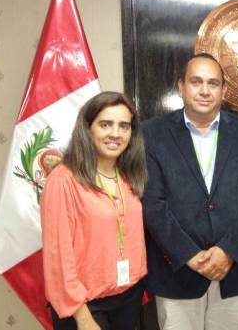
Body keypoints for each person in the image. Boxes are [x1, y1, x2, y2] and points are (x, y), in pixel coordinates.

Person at [142, 53, 238, 330]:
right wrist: (188, 254)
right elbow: (153, 202)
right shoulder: (151, 134)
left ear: (224, 91)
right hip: (177, 274)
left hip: (234, 274)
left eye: (213, 83)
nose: (205, 90)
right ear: (181, 87)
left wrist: (228, 251)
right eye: (196, 82)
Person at [41, 91, 148, 330]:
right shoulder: (64, 179)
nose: (115, 134)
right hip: (85, 306)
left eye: (124, 126)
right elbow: (59, 255)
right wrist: (83, 317)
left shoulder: (130, 175)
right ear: (88, 129)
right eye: (105, 124)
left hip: (129, 297)